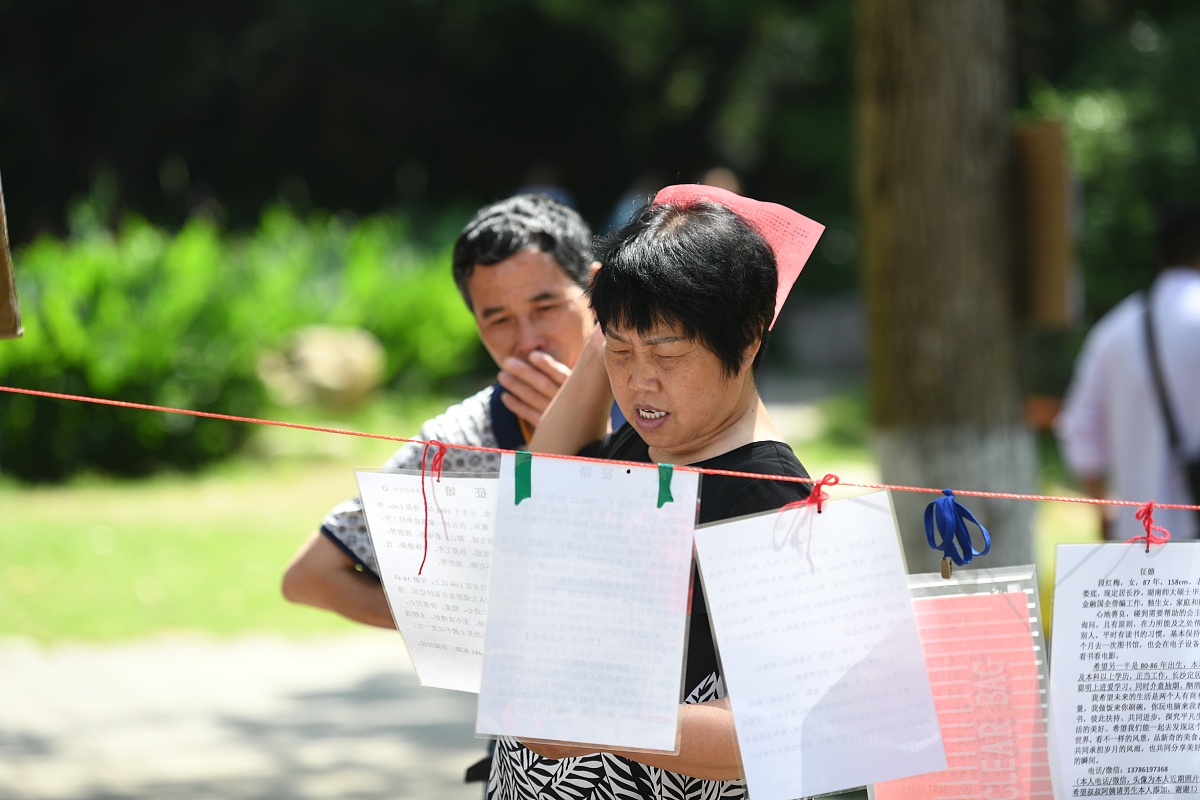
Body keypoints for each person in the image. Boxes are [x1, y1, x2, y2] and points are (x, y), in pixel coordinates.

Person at [490, 185, 817, 800]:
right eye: (620, 349)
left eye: (667, 351)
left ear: (747, 342)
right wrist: (616, 320)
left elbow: (770, 729)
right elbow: (542, 496)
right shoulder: (646, 441)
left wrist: (597, 719)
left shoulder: (767, 498)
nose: (640, 380)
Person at [282, 192, 623, 626]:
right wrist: (476, 625)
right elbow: (308, 577)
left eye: (546, 307)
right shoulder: (461, 441)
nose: (528, 339)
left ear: (595, 290)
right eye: (499, 320)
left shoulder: (659, 400)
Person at [1056, 208, 1200, 541]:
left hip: (1140, 545)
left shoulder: (1114, 330)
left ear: (1159, 256)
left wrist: (1104, 508)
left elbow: (1078, 429)